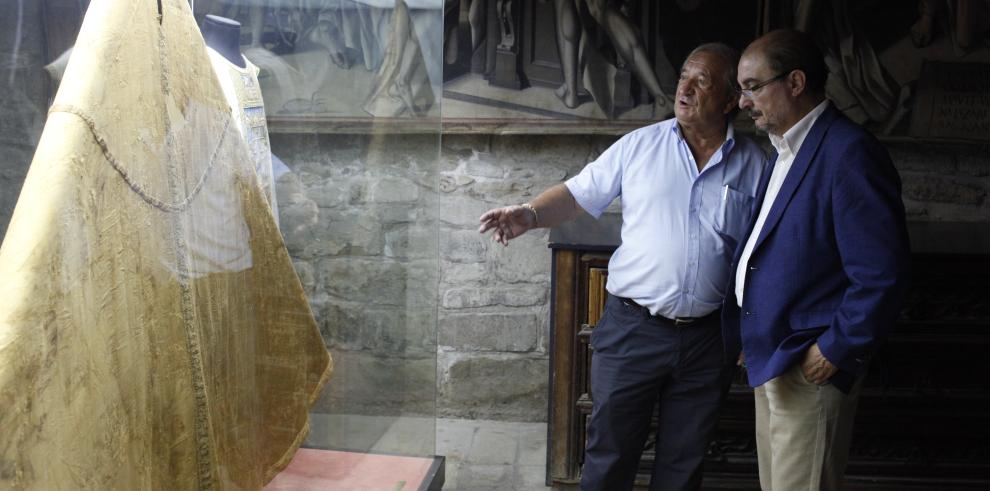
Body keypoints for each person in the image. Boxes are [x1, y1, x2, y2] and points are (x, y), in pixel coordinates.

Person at [479, 43, 769, 490]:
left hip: (709, 339)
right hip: (634, 329)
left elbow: (763, 253)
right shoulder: (640, 146)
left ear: (731, 100)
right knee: (610, 454)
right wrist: (530, 215)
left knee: (683, 463)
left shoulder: (757, 165)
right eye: (683, 78)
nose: (685, 89)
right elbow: (578, 193)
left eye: (702, 81)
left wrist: (755, 329)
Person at [724, 29, 910, 491]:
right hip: (773, 357)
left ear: (796, 81)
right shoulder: (785, 149)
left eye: (752, 86)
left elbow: (883, 274)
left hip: (810, 365)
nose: (743, 102)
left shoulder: (850, 152)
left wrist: (837, 348)